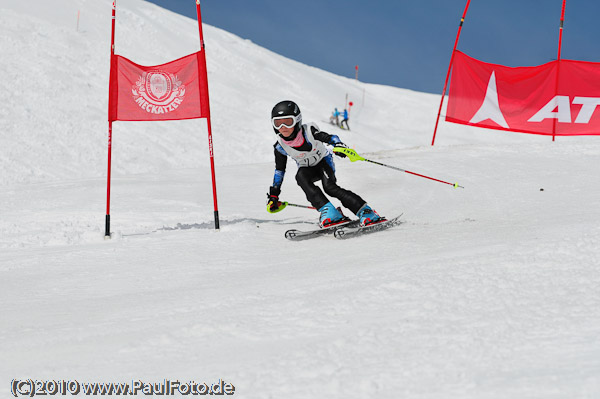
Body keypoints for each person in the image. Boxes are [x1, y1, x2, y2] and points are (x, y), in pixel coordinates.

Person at [266, 100, 380, 227]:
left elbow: (329, 137)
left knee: (330, 188)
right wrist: (274, 195)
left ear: (297, 120)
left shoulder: (308, 131)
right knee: (300, 177)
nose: (283, 127)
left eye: (288, 122)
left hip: (323, 162)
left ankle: (366, 211)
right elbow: (279, 171)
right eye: (277, 123)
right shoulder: (280, 147)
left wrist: (338, 145)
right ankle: (330, 212)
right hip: (307, 169)